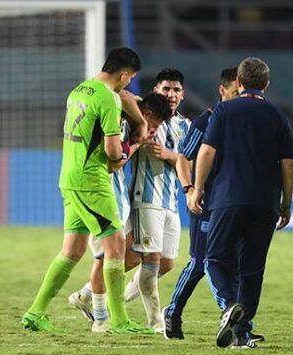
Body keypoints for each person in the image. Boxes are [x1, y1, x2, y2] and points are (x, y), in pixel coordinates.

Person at [22, 47, 151, 334]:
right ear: (125, 74)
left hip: (68, 175)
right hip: (91, 180)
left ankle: (35, 312)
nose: (128, 84)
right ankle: (119, 321)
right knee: (116, 244)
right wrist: (134, 145)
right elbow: (113, 151)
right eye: (129, 79)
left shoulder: (79, 90)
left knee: (72, 250)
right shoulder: (108, 98)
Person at [188, 57, 293, 349]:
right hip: (266, 202)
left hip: (227, 198)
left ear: (238, 82)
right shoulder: (277, 115)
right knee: (252, 268)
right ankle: (243, 331)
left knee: (214, 259)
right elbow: (287, 164)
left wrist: (197, 188)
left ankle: (229, 306)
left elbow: (207, 152)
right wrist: (286, 203)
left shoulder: (224, 110)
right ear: (266, 85)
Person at [67, 93, 172, 333]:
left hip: (118, 198)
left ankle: (86, 295)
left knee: (133, 255)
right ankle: (101, 319)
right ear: (146, 116)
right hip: (102, 196)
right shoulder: (115, 121)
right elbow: (115, 162)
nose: (152, 130)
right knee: (104, 257)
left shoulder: (126, 118)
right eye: (153, 125)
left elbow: (126, 95)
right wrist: (138, 141)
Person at [161, 67, 242, 340]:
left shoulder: (244, 120)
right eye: (235, 92)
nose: (240, 96)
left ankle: (238, 323)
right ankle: (175, 312)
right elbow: (184, 158)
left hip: (232, 203)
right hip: (206, 202)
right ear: (223, 90)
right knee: (201, 261)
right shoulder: (206, 121)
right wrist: (189, 189)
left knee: (234, 262)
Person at [125, 68, 190, 332]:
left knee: (166, 263)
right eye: (166, 89)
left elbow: (188, 162)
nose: (171, 94)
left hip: (171, 202)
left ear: (183, 95)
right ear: (155, 91)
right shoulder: (143, 116)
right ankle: (155, 323)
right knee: (148, 259)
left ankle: (92, 295)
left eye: (176, 90)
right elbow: (125, 96)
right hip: (146, 196)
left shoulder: (185, 126)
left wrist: (168, 155)